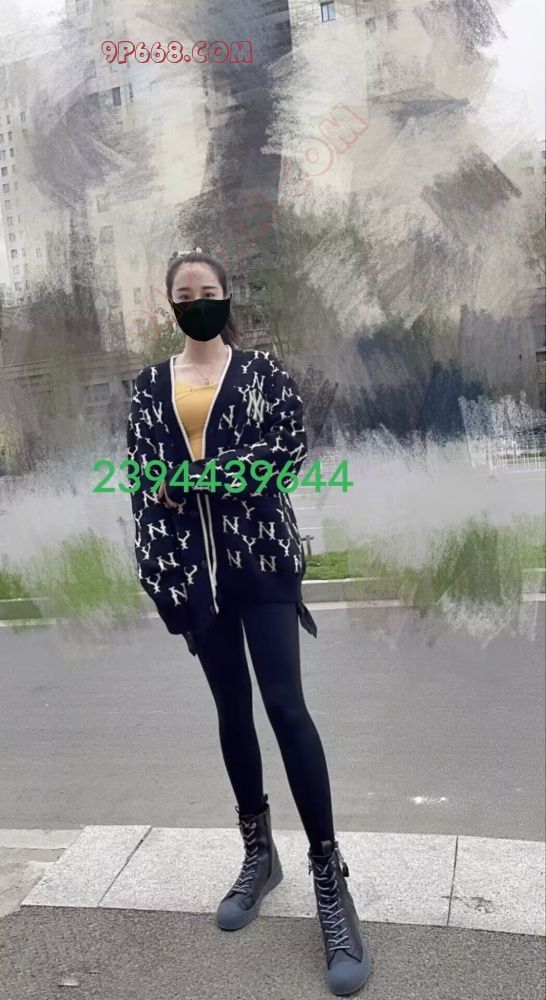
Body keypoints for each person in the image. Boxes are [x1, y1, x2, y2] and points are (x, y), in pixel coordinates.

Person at [126, 247, 371, 996]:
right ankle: (258, 855)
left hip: (262, 563)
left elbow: (283, 456)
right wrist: (165, 582)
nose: (197, 300)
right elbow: (144, 483)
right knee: (232, 712)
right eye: (184, 292)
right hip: (195, 575)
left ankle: (329, 878)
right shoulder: (149, 388)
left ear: (228, 297)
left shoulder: (264, 374)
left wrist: (193, 478)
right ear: (170, 304)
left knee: (286, 708)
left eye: (208, 289)